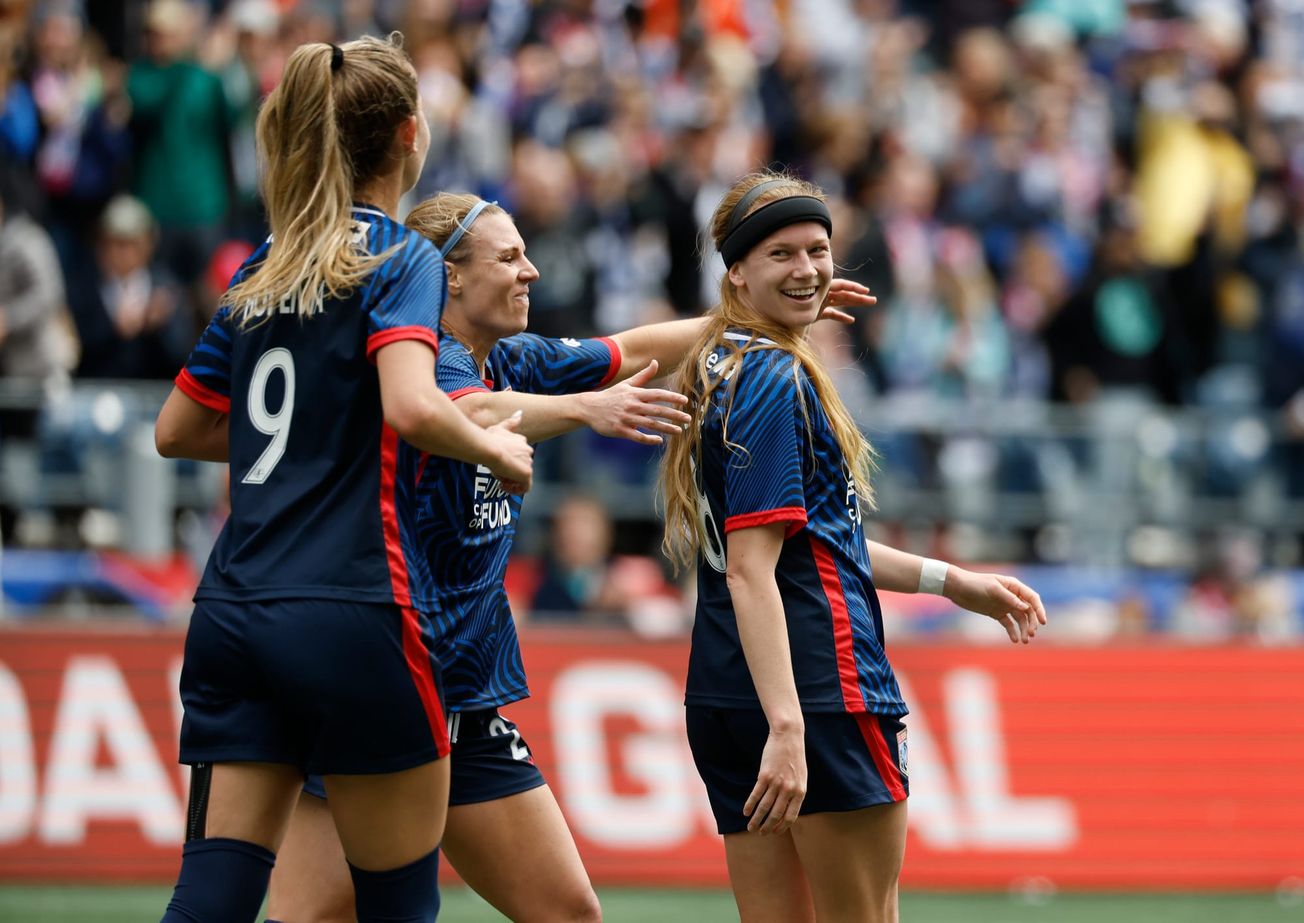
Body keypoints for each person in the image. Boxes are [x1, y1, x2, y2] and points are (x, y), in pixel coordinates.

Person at [264, 191, 877, 921]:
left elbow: (633, 350)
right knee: (317, 914)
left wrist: (767, 307)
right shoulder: (423, 363)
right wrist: (586, 409)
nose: (531, 271)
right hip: (381, 683)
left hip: (465, 696)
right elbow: (462, 413)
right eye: (508, 257)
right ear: (448, 276)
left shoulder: (511, 358)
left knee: (569, 911)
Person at [152, 37, 533, 923]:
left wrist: (317, 440)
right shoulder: (403, 257)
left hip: (234, 608)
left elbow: (178, 428)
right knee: (398, 907)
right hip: (353, 609)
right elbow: (411, 404)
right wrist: (494, 449)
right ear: (409, 134)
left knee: (208, 900)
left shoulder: (267, 262)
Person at [658, 171, 1047, 923]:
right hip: (820, 692)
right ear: (736, 272)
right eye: (780, 254)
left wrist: (950, 580)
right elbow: (752, 570)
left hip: (726, 689)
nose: (807, 269)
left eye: (817, 250)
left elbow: (815, 541)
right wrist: (788, 725)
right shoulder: (772, 375)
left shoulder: (718, 361)